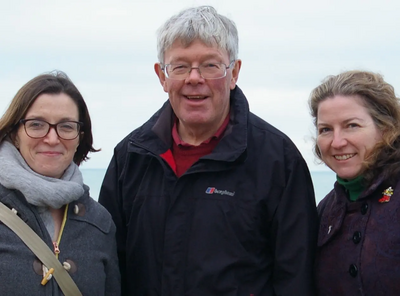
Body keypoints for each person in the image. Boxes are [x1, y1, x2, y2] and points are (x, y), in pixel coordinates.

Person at [99, 5, 317, 296]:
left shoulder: (278, 160)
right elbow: (111, 270)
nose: (194, 78)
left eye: (210, 65)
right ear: (162, 76)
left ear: (234, 72)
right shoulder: (131, 158)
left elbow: (296, 279)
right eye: (179, 66)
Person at [0, 71, 120, 295]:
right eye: (36, 125)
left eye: (66, 126)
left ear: (79, 137)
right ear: (15, 134)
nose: (52, 138)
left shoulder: (99, 223)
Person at [309, 70, 400, 295]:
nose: (337, 142)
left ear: (386, 128)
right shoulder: (325, 211)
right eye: (326, 130)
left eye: (352, 125)